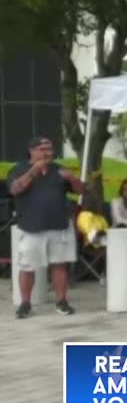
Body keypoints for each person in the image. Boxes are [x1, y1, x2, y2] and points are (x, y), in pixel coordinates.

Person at [7, 136, 83, 318]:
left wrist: (72, 178)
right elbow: (15, 190)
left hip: (59, 225)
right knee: (27, 267)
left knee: (59, 265)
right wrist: (33, 172)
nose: (48, 153)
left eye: (50, 149)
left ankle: (61, 301)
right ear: (31, 151)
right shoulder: (19, 169)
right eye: (43, 149)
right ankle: (25, 303)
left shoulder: (59, 170)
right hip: (31, 227)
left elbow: (81, 191)